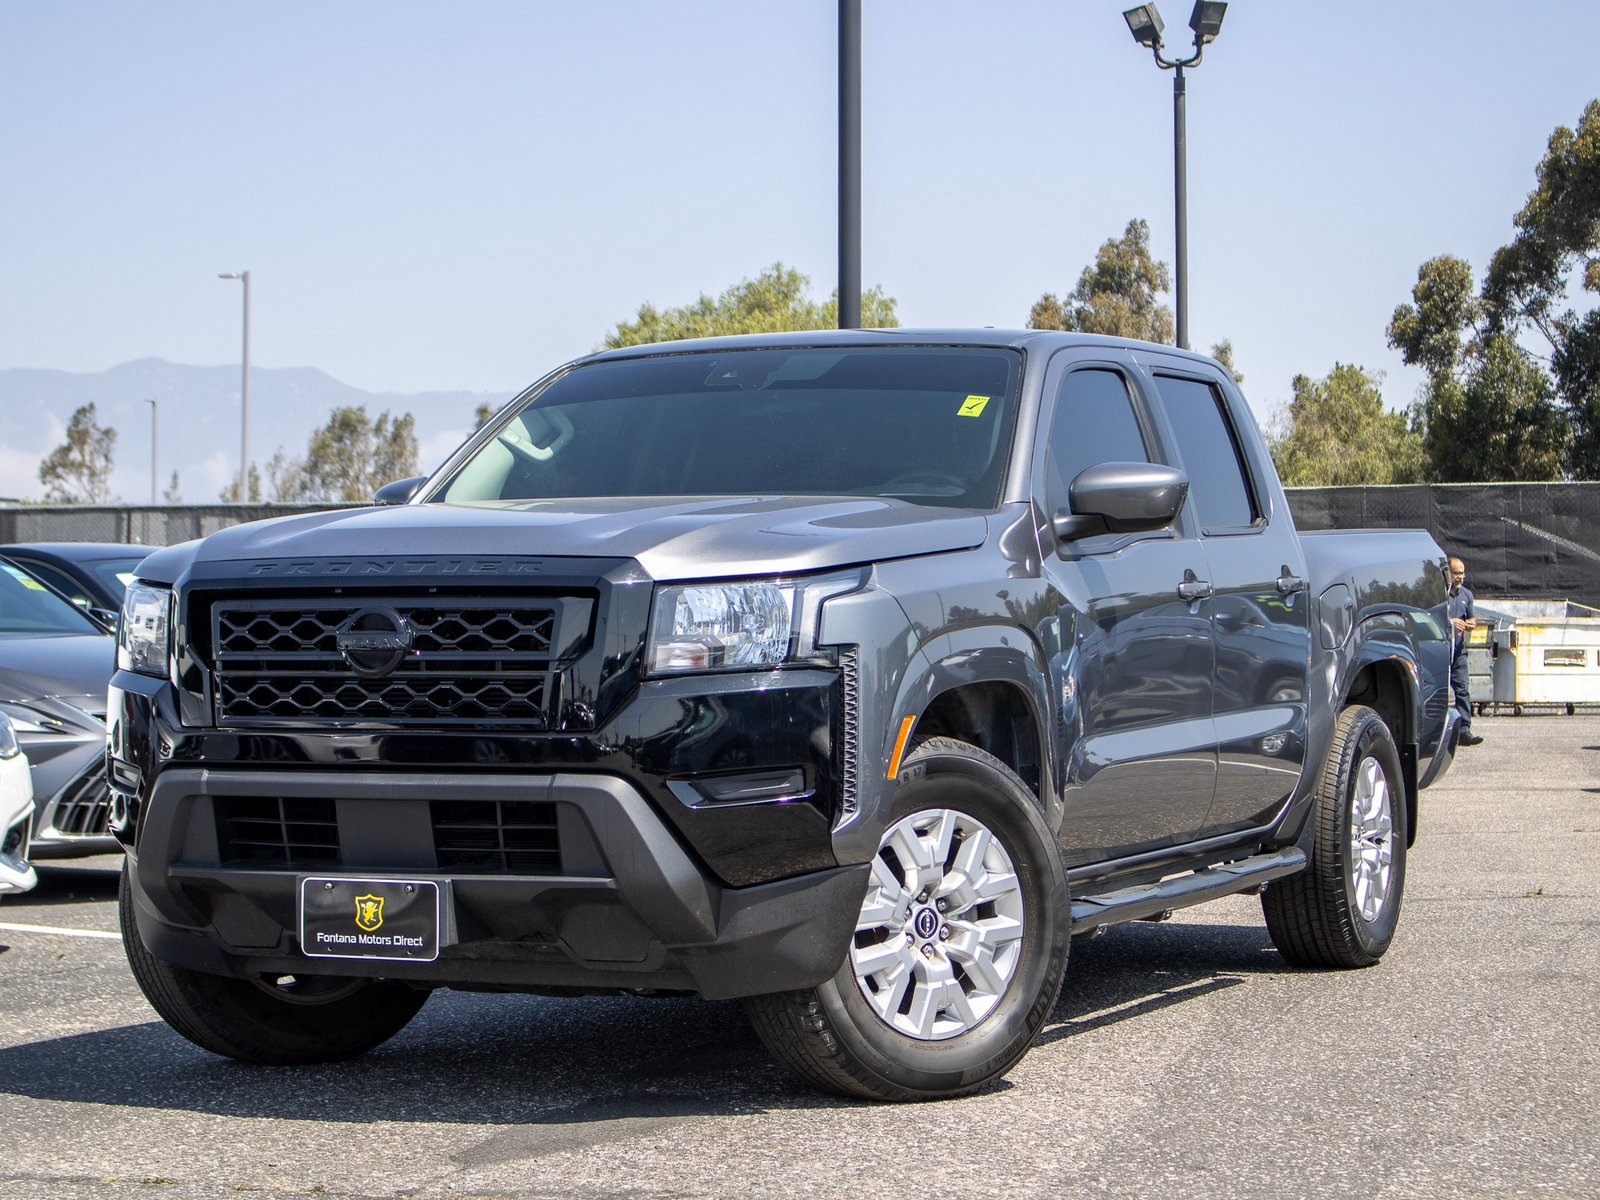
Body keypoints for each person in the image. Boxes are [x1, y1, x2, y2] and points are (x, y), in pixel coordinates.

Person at [1448, 556, 1483, 745]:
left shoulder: (1467, 595)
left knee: (1462, 689)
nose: (1459, 577)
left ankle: (1464, 730)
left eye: (1462, 573)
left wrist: (1470, 624)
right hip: (1442, 649)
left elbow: (1472, 619)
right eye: (1456, 573)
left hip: (1459, 650)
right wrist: (1450, 622)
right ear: (1448, 573)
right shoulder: (1440, 594)